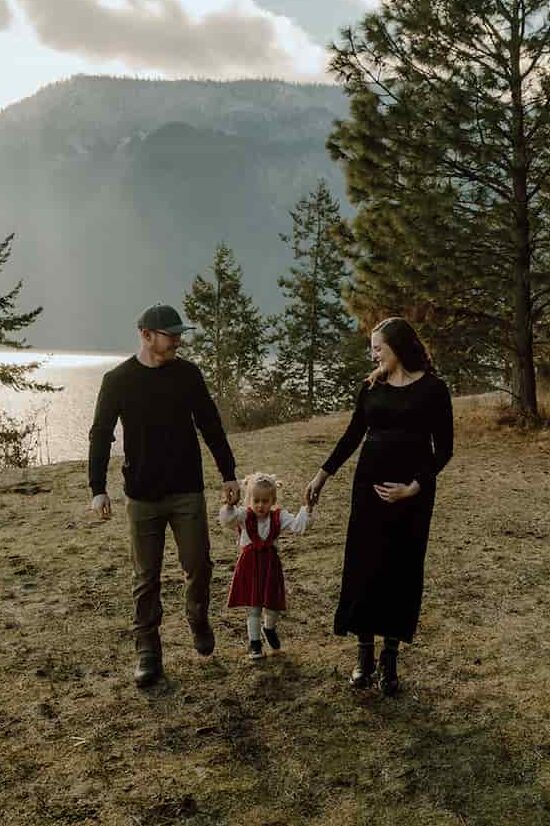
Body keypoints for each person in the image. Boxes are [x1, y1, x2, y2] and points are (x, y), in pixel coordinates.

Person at [88, 304, 240, 688]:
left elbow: (210, 424)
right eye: (170, 334)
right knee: (146, 577)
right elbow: (100, 434)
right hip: (141, 496)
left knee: (199, 565)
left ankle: (197, 616)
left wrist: (228, 473)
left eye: (178, 334)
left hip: (186, 490)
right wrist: (97, 489)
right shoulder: (117, 380)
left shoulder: (187, 375)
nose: (177, 340)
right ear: (145, 334)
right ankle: (148, 651)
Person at [305, 317, 453, 695]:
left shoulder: (434, 390)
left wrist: (414, 487)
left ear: (398, 347)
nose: (372, 354)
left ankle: (390, 661)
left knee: (400, 569)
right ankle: (364, 656)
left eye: (378, 347)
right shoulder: (371, 386)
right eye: (372, 348)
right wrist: (323, 474)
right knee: (365, 566)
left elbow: (444, 450)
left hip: (411, 496)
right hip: (368, 490)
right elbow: (354, 433)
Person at [220, 473, 311, 659]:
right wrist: (229, 505)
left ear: (273, 501)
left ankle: (269, 628)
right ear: (248, 500)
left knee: (273, 605)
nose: (261, 505)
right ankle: (255, 644)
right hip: (250, 566)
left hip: (270, 566)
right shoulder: (244, 516)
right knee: (254, 606)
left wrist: (307, 507)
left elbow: (298, 526)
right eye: (256, 501)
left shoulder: (278, 517)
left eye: (265, 501)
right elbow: (227, 520)